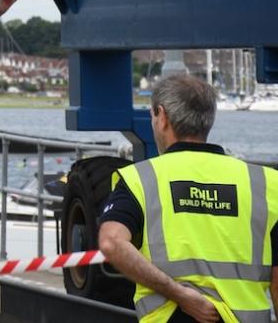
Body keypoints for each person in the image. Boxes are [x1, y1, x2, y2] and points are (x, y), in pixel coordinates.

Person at [98, 74, 278, 323]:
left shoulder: (142, 178)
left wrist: (179, 294)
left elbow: (112, 243)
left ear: (161, 117)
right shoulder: (266, 183)